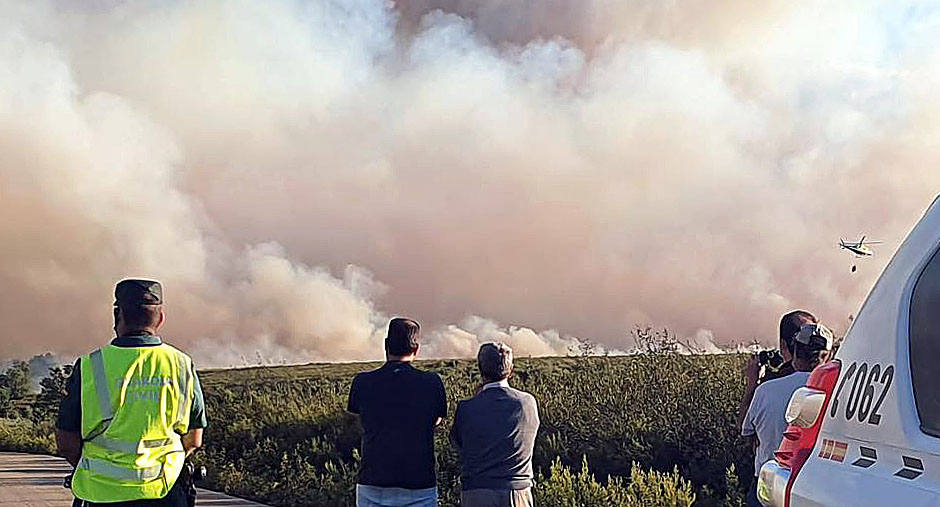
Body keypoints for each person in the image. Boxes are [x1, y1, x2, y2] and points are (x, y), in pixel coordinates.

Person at [55, 279, 208, 507]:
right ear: (161, 319)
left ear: (118, 316)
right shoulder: (182, 365)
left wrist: (96, 470)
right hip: (167, 494)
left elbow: (66, 442)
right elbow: (194, 439)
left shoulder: (90, 366)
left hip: (101, 495)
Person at [347, 318, 447, 507]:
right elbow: (436, 421)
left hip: (373, 484)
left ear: (386, 345)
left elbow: (358, 422)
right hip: (419, 484)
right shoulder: (432, 382)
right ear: (416, 349)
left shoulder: (362, 382)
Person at [741, 322, 834, 507]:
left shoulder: (765, 391)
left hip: (769, 485)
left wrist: (753, 383)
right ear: (829, 355)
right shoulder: (837, 393)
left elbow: (746, 432)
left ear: (796, 350)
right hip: (813, 488)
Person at [450, 342, 539, 507]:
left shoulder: (466, 407)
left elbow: (458, 443)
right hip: (516, 491)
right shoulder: (526, 403)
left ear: (480, 370)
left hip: (476, 493)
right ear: (511, 370)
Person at [737, 310, 817, 431]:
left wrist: (752, 384)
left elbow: (744, 427)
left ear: (783, 345)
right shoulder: (835, 385)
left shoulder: (767, 390)